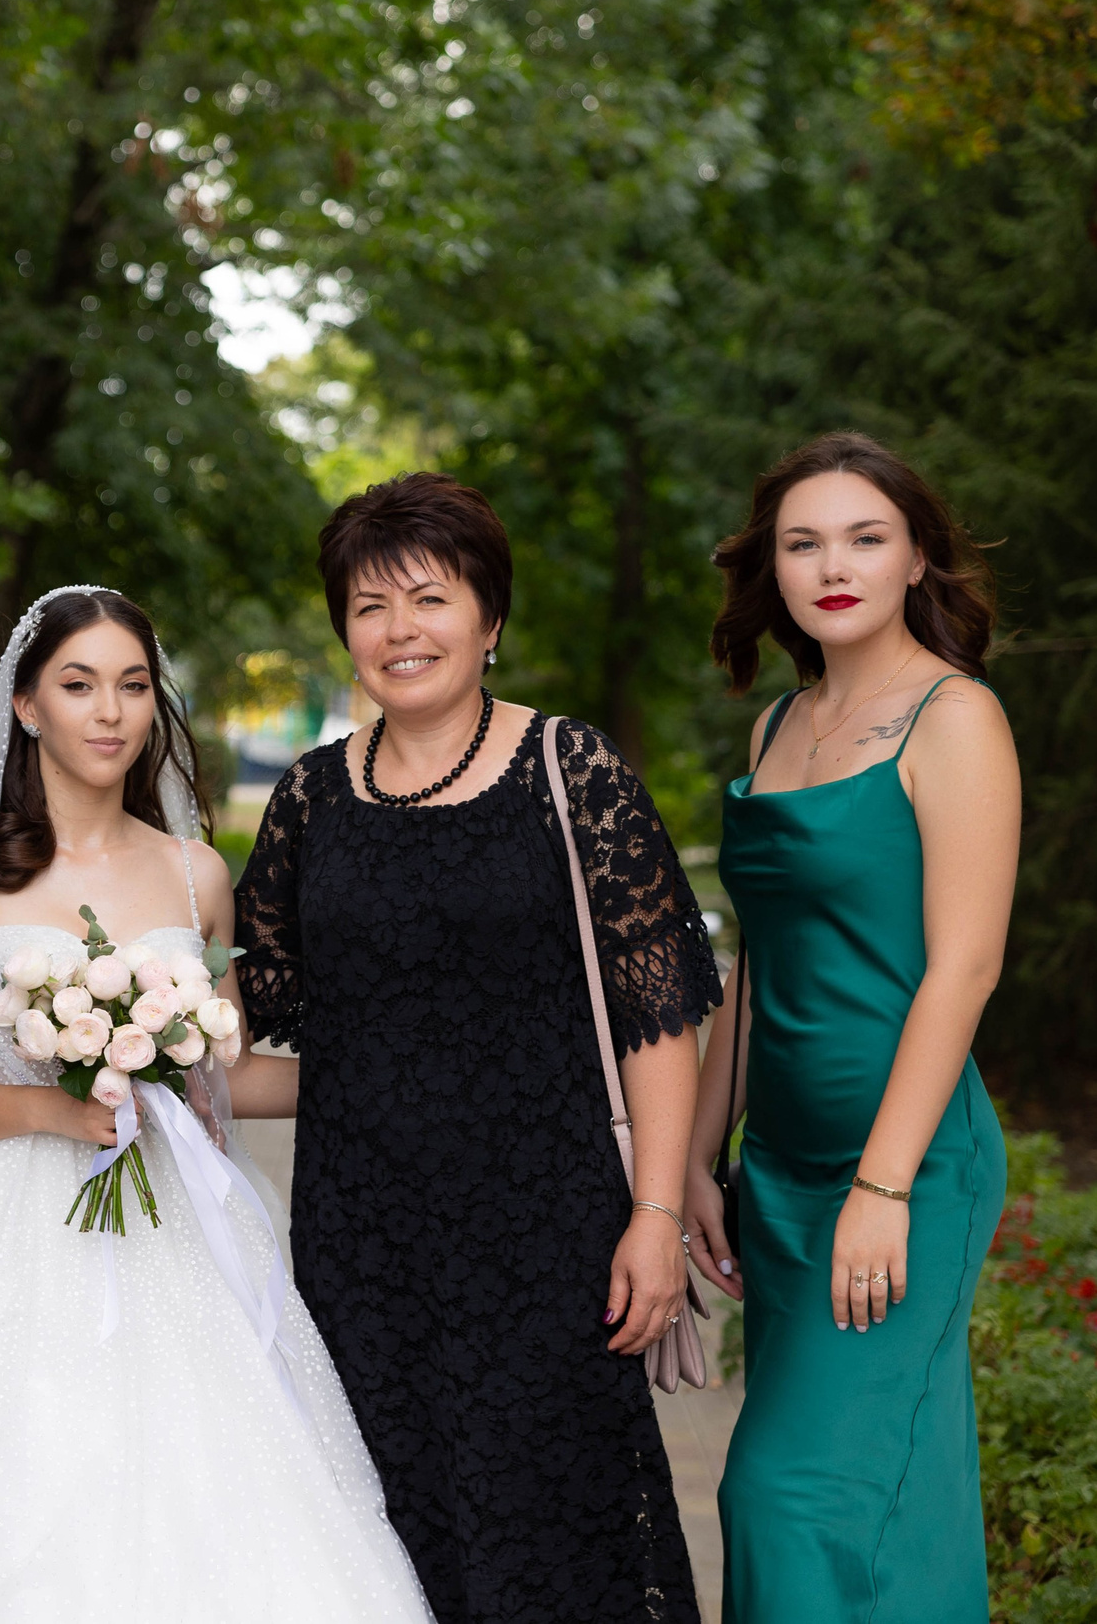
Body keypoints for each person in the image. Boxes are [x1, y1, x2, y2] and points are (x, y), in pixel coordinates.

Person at [0, 587, 433, 1624]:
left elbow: (228, 1077)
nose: (110, 712)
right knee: (19, 1485)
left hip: (183, 1222)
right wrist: (56, 1113)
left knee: (214, 1493)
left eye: (131, 686)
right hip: (18, 1222)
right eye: (78, 686)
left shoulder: (195, 871)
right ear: (26, 705)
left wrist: (379, 1076)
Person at [231, 472, 721, 1624]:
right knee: (388, 1536)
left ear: (488, 619)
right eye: (368, 607)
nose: (399, 632)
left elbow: (657, 1019)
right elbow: (261, 1018)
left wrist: (653, 1218)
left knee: (559, 1526)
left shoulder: (572, 773)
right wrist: (119, 1050)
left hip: (548, 1241)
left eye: (429, 599)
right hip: (361, 1247)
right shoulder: (307, 799)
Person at [688, 433, 1013, 1622]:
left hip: (907, 1168)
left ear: (915, 555)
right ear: (769, 568)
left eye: (865, 537)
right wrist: (696, 1158)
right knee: (887, 1494)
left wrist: (880, 1187)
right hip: (777, 1171)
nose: (834, 565)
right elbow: (759, 968)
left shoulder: (954, 718)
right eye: (802, 542)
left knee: (786, 1494)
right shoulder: (779, 727)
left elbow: (963, 970)